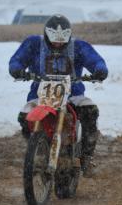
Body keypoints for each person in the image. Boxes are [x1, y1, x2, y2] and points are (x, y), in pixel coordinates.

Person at [9, 14, 108, 177]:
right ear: (46, 35)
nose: (58, 44)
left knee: (90, 111)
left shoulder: (79, 46)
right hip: (40, 94)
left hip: (73, 94)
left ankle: (86, 157)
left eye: (62, 41)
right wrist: (17, 69)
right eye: (54, 40)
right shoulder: (33, 44)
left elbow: (96, 60)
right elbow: (17, 60)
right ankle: (36, 148)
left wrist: (100, 70)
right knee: (24, 116)